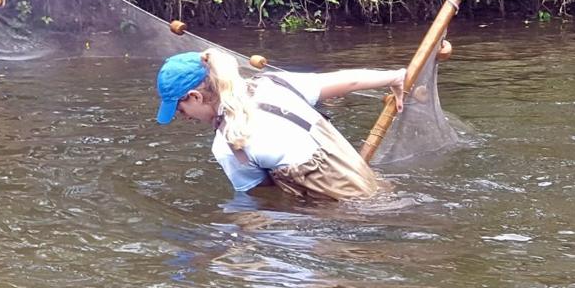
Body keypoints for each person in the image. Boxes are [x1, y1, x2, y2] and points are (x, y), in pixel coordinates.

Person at [154, 47, 406, 201]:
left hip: (343, 214)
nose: (183, 116)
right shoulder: (274, 82)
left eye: (179, 108)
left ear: (195, 97)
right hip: (372, 185)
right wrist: (395, 77)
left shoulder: (229, 145)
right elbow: (347, 82)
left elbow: (263, 200)